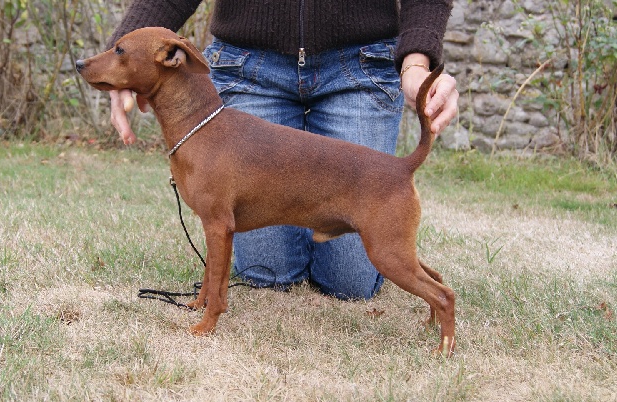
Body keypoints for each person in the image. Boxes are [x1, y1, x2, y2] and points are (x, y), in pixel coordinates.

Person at [105, 0, 459, 300]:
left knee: (350, 282)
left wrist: (417, 62)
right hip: (247, 68)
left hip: (361, 66)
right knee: (268, 274)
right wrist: (124, 60)